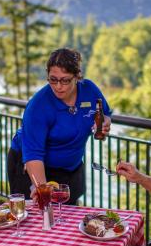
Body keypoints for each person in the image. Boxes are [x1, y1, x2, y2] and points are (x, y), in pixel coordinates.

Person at [7, 48, 111, 205]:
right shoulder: (38, 105)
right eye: (53, 79)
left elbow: (106, 113)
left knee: (67, 214)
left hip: (72, 167)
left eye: (65, 80)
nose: (58, 86)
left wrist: (105, 122)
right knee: (38, 212)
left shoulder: (89, 90)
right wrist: (42, 189)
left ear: (77, 77)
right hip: (33, 165)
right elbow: (33, 154)